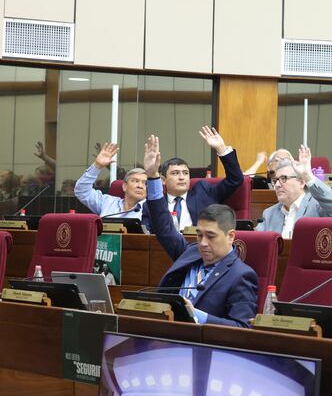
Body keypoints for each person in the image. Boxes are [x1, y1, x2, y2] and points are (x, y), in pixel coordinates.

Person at [144, 134, 258, 327]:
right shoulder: (190, 252)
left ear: (231, 236)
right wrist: (153, 176)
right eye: (199, 235)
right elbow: (164, 229)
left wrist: (197, 316)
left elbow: (243, 328)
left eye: (211, 236)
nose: (203, 243)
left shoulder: (242, 275)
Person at [142, 126, 244, 232]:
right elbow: (145, 236)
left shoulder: (203, 192)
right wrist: (152, 174)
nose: (182, 177)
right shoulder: (152, 204)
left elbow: (235, 179)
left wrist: (221, 149)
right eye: (175, 173)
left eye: (185, 173)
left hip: (199, 245)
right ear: (163, 180)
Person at [257, 144, 332, 238]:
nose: (277, 185)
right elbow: (258, 243)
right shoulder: (269, 213)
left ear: (301, 182)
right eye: (275, 181)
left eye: (284, 178)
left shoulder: (316, 207)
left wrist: (308, 176)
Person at [74, 142, 147, 217]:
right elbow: (82, 191)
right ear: (124, 186)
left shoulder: (151, 210)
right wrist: (97, 166)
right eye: (135, 181)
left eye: (145, 183)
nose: (140, 186)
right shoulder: (107, 202)